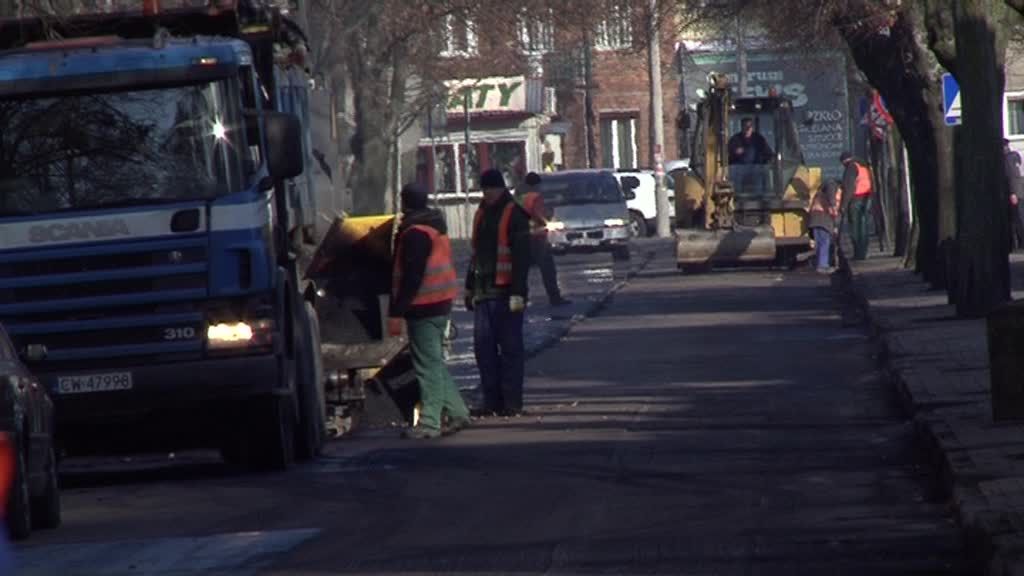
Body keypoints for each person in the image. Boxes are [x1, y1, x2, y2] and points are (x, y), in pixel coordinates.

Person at [388, 183, 470, 439]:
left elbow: (412, 276)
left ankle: (430, 423)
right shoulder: (434, 225)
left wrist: (396, 311)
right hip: (440, 302)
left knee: (426, 366)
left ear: (404, 203)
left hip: (422, 306)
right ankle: (458, 412)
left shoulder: (415, 233)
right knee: (433, 362)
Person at [466, 169, 531, 417]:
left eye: (491, 189)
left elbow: (521, 258)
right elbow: (475, 256)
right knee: (484, 351)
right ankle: (491, 401)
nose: (487, 194)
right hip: (484, 294)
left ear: (501, 188)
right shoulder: (481, 214)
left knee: (511, 349)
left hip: (506, 294)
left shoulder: (514, 214)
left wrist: (518, 292)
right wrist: (469, 287)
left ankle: (512, 403)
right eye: (484, 190)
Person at [520, 172, 571, 307]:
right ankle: (555, 298)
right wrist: (549, 214)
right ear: (537, 184)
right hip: (537, 237)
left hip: (521, 238)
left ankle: (521, 299)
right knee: (548, 269)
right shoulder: (536, 198)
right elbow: (539, 215)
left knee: (521, 272)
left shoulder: (519, 197)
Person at [840, 151, 874, 260]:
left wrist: (843, 205)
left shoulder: (851, 167)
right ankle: (863, 252)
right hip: (867, 198)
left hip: (856, 199)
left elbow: (848, 187)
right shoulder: (863, 166)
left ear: (844, 161)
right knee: (863, 226)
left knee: (855, 228)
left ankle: (858, 254)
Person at [808, 180, 840, 274]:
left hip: (817, 218)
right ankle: (822, 266)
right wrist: (833, 206)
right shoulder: (832, 184)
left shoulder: (821, 192)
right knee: (824, 242)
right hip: (821, 218)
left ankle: (821, 264)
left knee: (821, 243)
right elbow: (832, 200)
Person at [1004, 139, 1024, 251]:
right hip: (1020, 190)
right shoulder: (1016, 156)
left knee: (1017, 218)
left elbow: (1012, 176)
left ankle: (1020, 242)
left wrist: (1012, 193)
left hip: (1015, 192)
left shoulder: (1008, 159)